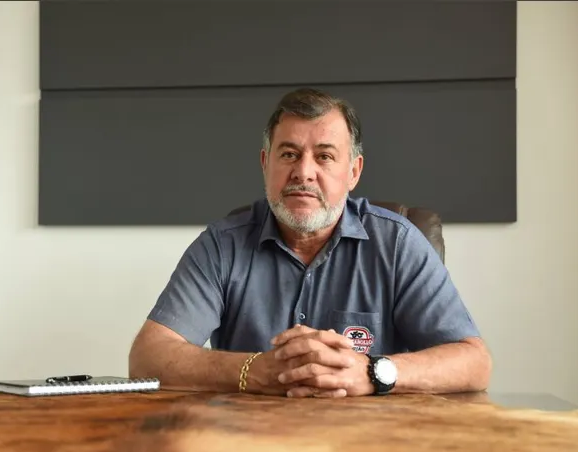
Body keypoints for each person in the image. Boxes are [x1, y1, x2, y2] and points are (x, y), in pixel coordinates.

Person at [128, 88, 491, 398]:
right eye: (289, 154)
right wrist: (255, 369)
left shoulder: (397, 244)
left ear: (353, 172)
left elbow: (474, 362)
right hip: (248, 443)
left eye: (324, 156)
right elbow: (148, 357)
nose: (303, 172)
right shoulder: (222, 246)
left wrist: (372, 372)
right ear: (265, 164)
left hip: (372, 444)